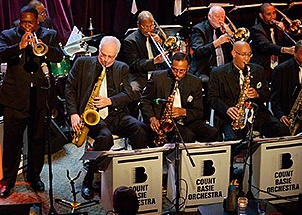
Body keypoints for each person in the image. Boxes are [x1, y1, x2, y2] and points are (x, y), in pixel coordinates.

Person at [65, 36, 147, 200]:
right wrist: (73, 113)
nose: (106, 60)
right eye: (103, 55)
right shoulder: (82, 63)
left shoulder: (121, 68)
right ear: (99, 50)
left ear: (116, 56)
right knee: (105, 138)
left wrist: (110, 101)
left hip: (116, 114)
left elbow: (130, 93)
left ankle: (138, 173)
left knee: (139, 128)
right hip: (91, 118)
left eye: (110, 57)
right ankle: (89, 175)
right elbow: (70, 88)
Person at [0, 5, 63, 198]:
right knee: (12, 142)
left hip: (40, 96)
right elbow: (0, 54)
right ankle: (7, 181)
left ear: (37, 21)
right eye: (23, 22)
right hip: (14, 97)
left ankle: (35, 177)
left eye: (30, 23)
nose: (27, 26)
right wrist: (19, 46)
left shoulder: (49, 34)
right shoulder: (8, 35)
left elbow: (58, 55)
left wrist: (43, 46)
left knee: (37, 141)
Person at [208, 41, 289, 140]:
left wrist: (257, 94)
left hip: (257, 114)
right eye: (243, 55)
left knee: (282, 131)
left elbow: (268, 95)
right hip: (232, 116)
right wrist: (227, 109)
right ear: (234, 53)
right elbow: (212, 98)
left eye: (249, 54)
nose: (247, 58)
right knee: (234, 141)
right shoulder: (218, 73)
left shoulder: (257, 70)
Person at [141, 52, 219, 144]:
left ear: (188, 68)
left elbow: (199, 111)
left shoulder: (195, 82)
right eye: (174, 70)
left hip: (186, 120)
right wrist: (152, 118)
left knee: (213, 133)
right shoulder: (157, 78)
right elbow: (145, 100)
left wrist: (183, 112)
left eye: (182, 71)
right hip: (163, 123)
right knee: (187, 136)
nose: (177, 74)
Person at [122, 10, 169, 101]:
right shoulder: (130, 41)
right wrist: (154, 61)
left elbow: (165, 56)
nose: (149, 29)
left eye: (151, 26)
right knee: (133, 90)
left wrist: (161, 43)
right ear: (138, 25)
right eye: (146, 26)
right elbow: (134, 65)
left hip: (157, 73)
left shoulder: (156, 36)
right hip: (140, 76)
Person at [249, 3, 295, 81]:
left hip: (279, 67)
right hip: (264, 68)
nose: (272, 17)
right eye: (268, 14)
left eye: (274, 13)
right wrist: (285, 50)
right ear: (261, 16)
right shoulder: (256, 30)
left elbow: (288, 43)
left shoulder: (278, 28)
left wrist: (285, 32)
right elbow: (266, 46)